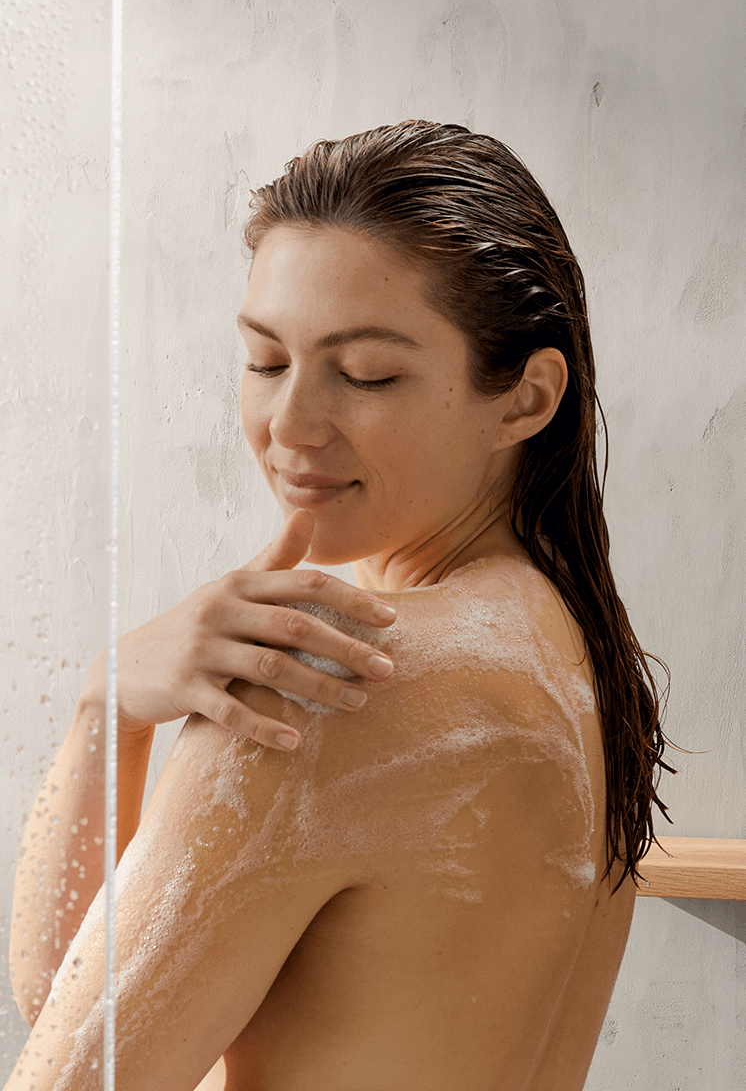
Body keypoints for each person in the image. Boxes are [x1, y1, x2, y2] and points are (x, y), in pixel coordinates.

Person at [6, 119, 676, 1091]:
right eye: (267, 360)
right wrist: (111, 703)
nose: (288, 423)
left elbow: (68, 1061)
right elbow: (76, 988)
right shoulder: (582, 661)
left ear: (525, 399)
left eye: (366, 373)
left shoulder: (317, 688)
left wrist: (104, 704)